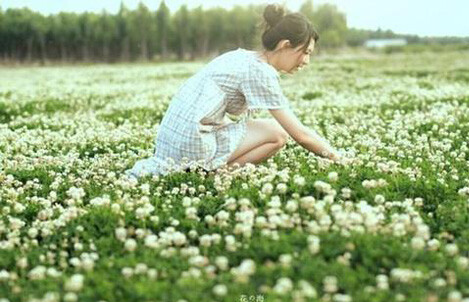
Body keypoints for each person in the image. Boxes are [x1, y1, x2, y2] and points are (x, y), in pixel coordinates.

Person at [126, 4, 339, 179]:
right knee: (278, 134)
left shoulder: (242, 57)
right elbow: (300, 135)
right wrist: (338, 159)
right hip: (192, 145)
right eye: (306, 52)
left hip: (171, 144)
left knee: (266, 129)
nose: (307, 61)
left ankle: (207, 170)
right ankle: (217, 175)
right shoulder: (260, 71)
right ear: (285, 45)